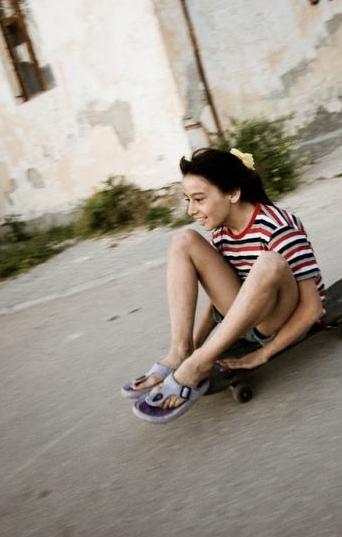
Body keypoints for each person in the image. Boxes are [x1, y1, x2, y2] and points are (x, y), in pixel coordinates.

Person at [122, 147, 326, 423]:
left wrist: (263, 354)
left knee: (269, 262)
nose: (191, 210)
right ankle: (180, 352)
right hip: (245, 320)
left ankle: (198, 365)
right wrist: (194, 345)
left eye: (199, 199)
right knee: (183, 240)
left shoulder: (278, 228)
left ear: (232, 193)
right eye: (188, 200)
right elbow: (221, 297)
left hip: (279, 322)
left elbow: (312, 309)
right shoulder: (222, 233)